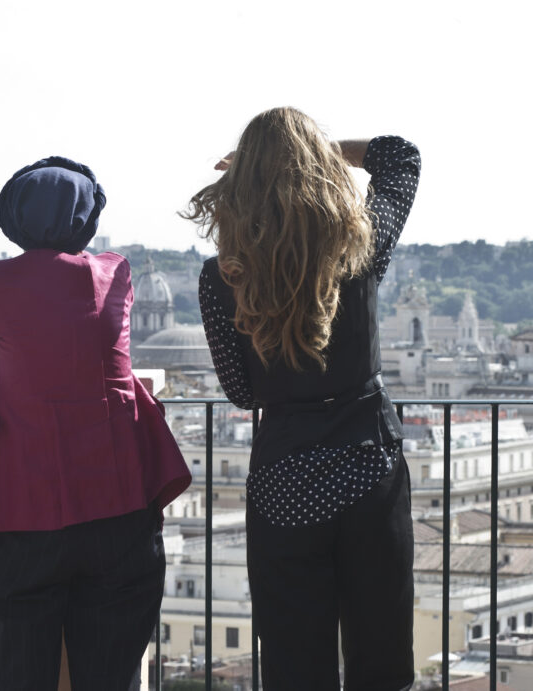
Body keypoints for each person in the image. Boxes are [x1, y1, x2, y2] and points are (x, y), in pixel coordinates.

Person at [185, 108, 420, 690]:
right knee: (381, 650)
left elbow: (240, 391)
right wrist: (321, 153)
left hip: (286, 473)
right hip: (369, 464)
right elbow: (400, 157)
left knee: (295, 658)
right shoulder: (358, 248)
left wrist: (264, 167)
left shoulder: (223, 277)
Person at [0, 156, 191, 689]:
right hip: (119, 499)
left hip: (23, 505)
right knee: (112, 668)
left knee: (18, 668)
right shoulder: (114, 272)